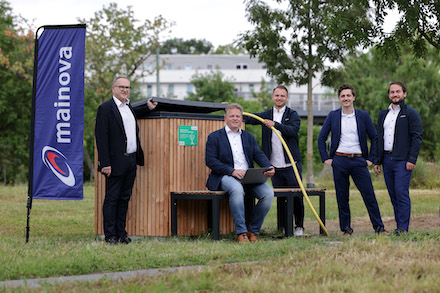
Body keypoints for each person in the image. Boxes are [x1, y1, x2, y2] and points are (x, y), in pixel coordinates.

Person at [317, 84, 389, 236]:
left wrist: (371, 159)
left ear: (353, 97)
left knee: (369, 195)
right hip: (339, 160)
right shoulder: (333, 115)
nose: (346, 98)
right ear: (339, 98)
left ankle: (379, 228)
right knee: (342, 197)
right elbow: (321, 137)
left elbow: (375, 137)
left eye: (348, 95)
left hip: (358, 161)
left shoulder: (363, 115)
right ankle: (346, 230)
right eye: (343, 96)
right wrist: (326, 159)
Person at [95, 76, 157, 244]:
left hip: (131, 161)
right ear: (113, 88)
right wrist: (105, 163)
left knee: (124, 199)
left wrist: (148, 108)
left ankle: (121, 234)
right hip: (114, 163)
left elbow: (134, 115)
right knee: (112, 199)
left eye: (127, 87)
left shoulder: (128, 106)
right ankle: (110, 236)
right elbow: (101, 138)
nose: (124, 90)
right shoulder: (105, 108)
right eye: (121, 87)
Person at [205, 103, 275, 243]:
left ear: (242, 118)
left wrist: (268, 166)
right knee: (237, 190)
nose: (235, 118)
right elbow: (210, 161)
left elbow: (258, 154)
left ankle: (253, 231)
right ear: (225, 118)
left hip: (248, 177)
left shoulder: (249, 137)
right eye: (232, 116)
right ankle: (241, 232)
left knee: (268, 193)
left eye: (237, 116)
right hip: (225, 176)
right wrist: (232, 171)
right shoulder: (214, 137)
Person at [244, 85, 305, 236]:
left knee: (296, 195)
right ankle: (284, 226)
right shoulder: (266, 114)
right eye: (277, 95)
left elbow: (293, 130)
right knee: (281, 198)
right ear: (272, 97)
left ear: (286, 98)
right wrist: (232, 110)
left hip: (291, 164)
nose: (279, 98)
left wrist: (275, 124)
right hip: (274, 166)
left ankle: (299, 226)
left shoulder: (293, 114)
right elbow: (250, 118)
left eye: (282, 96)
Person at [374, 81, 423, 236]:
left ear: (404, 93)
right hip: (386, 160)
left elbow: (417, 138)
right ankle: (399, 226)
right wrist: (377, 160)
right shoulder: (383, 114)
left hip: (403, 161)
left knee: (401, 193)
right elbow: (378, 138)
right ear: (389, 95)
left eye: (398, 92)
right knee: (393, 194)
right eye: (392, 92)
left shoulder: (411, 113)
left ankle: (403, 228)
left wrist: (412, 160)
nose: (395, 94)